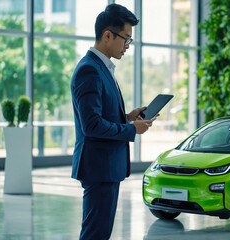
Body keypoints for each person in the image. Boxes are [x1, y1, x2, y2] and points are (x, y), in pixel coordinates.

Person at [70, 4, 155, 239]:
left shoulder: (102, 68)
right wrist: (130, 129)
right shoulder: (90, 70)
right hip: (99, 167)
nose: (127, 46)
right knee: (95, 233)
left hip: (105, 167)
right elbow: (92, 125)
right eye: (126, 39)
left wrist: (128, 117)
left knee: (101, 232)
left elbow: (100, 116)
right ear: (108, 35)